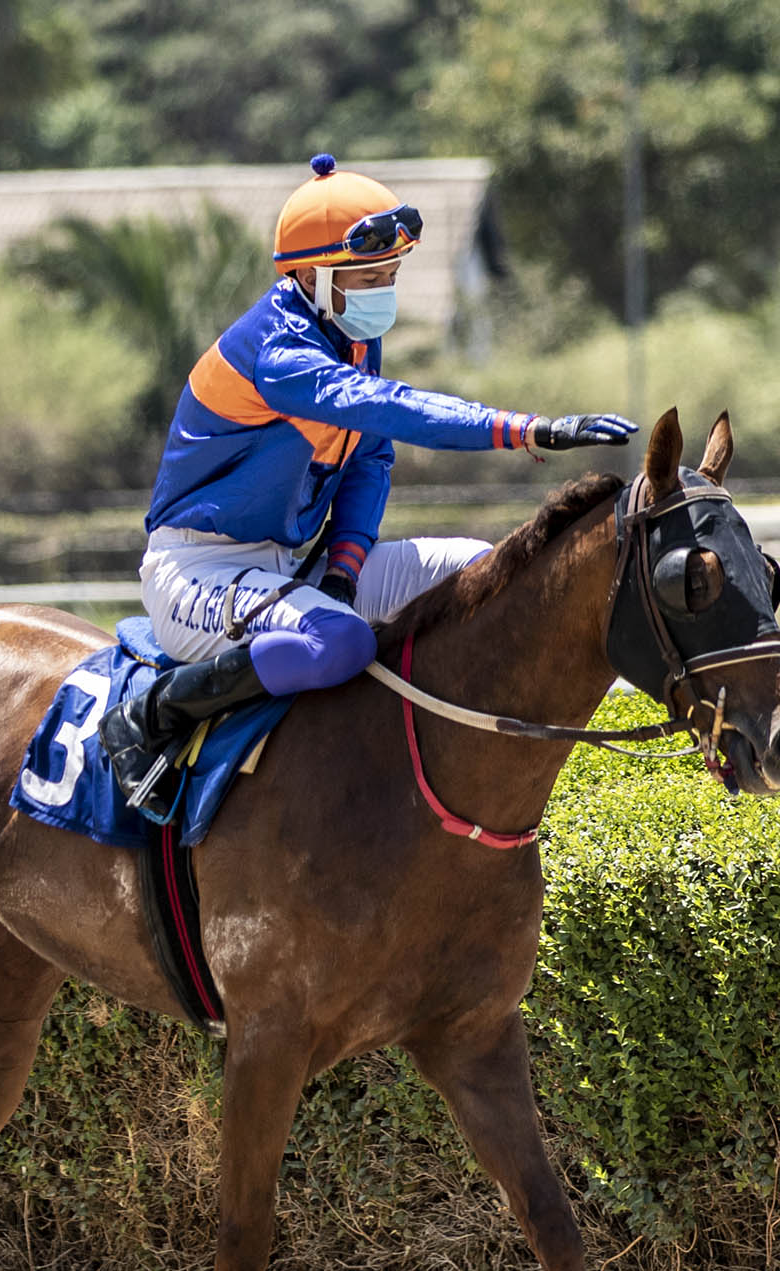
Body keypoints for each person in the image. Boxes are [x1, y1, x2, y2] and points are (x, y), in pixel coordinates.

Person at [100, 154, 638, 811]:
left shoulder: (351, 339)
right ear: (310, 275)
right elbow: (397, 411)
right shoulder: (277, 352)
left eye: (391, 274)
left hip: (294, 565)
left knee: (483, 572)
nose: (386, 289)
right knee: (339, 640)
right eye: (370, 277)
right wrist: (526, 429)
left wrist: (344, 572)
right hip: (196, 571)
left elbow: (370, 463)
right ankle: (153, 713)